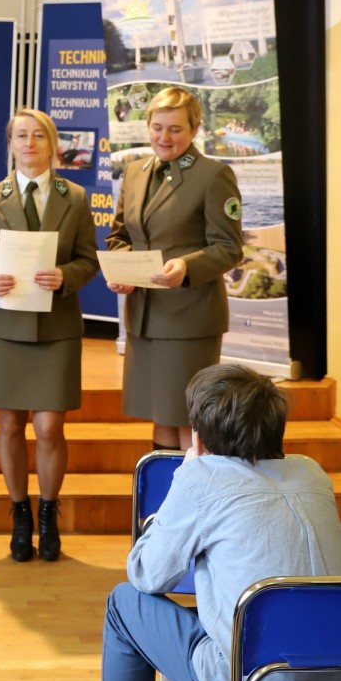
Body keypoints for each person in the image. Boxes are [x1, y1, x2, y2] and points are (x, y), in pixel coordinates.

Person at [83, 363, 341, 681]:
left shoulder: (201, 477)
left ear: (199, 438)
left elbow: (146, 574)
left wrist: (183, 483)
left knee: (123, 605)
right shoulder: (313, 474)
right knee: (290, 628)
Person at [0, 108, 99, 561]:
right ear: (10, 144)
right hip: (5, 326)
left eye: (38, 135)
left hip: (56, 325)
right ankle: (20, 513)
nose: (29, 143)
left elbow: (88, 260)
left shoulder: (74, 197)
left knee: (49, 426)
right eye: (20, 135)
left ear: (52, 144)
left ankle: (48, 513)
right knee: (9, 424)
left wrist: (67, 276)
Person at [107, 87, 243, 450]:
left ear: (195, 129)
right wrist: (123, 271)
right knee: (161, 418)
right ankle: (164, 489)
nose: (163, 137)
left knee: (188, 423)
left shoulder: (214, 175)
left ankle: (192, 488)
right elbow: (119, 236)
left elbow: (229, 247)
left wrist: (186, 265)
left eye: (175, 129)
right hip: (143, 316)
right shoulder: (134, 172)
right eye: (157, 127)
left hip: (189, 319)